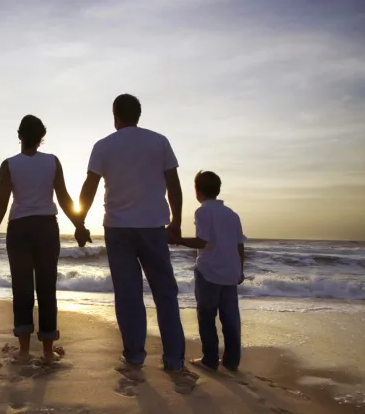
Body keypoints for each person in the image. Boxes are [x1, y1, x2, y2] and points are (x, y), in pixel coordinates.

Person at [75, 94, 194, 378]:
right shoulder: (159, 141)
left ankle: (135, 355)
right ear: (138, 115)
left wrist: (80, 222)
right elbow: (174, 185)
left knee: (128, 295)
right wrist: (176, 223)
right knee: (165, 293)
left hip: (118, 228)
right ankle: (174, 360)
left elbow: (89, 187)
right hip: (153, 225)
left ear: (115, 115)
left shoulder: (103, 146)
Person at [0, 115, 83, 365]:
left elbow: (1, 204)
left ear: (19, 135)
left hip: (19, 229)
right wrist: (79, 225)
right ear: (41, 137)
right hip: (47, 228)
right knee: (47, 289)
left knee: (22, 289)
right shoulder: (52, 162)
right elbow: (64, 197)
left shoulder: (9, 165)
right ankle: (48, 352)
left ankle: (25, 350)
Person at [177, 171, 246, 372]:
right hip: (230, 272)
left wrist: (178, 240)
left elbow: (202, 242)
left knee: (207, 316)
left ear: (197, 190)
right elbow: (239, 245)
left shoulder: (203, 212)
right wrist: (240, 269)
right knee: (230, 318)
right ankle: (232, 361)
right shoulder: (232, 214)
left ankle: (210, 359)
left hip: (209, 272)